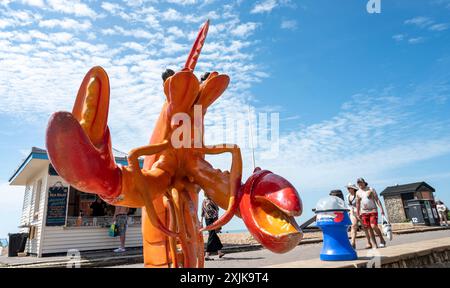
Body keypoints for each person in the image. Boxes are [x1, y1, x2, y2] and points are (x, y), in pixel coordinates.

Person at [356, 178, 386, 249]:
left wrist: (381, 209)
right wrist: (358, 213)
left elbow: (377, 199)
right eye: (358, 183)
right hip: (364, 212)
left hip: (373, 210)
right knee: (369, 228)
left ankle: (382, 239)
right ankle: (374, 244)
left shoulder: (371, 189)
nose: (360, 184)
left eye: (361, 183)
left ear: (364, 182)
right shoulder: (358, 192)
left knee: (373, 226)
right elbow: (357, 204)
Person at [346, 183, 370, 249]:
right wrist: (351, 212)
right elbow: (349, 206)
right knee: (353, 226)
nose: (348, 189)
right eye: (348, 188)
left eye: (349, 188)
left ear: (353, 189)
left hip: (360, 212)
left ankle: (369, 242)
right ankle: (353, 243)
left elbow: (362, 203)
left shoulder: (358, 194)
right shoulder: (347, 196)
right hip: (352, 212)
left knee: (365, 227)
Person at [201, 194, 224, 260]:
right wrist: (201, 221)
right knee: (212, 235)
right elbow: (202, 212)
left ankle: (219, 252)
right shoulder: (204, 201)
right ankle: (207, 254)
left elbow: (217, 209)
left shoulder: (213, 200)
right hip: (208, 219)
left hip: (214, 219)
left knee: (213, 235)